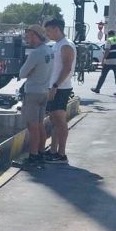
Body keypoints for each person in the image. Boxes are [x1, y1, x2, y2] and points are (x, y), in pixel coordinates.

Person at [17, 25, 53, 165]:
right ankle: (40, 152)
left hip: (32, 93)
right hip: (44, 91)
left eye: (29, 36)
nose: (27, 39)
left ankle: (33, 156)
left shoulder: (36, 53)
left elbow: (22, 73)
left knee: (32, 127)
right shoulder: (49, 51)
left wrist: (29, 72)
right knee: (40, 125)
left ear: (35, 36)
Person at [43, 19, 76, 165]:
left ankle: (61, 154)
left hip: (61, 88)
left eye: (48, 31)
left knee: (60, 121)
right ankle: (53, 151)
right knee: (54, 120)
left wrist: (55, 86)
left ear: (57, 29)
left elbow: (67, 68)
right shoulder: (57, 44)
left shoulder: (66, 45)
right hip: (53, 87)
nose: (47, 34)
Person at [91, 30, 116, 96]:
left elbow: (107, 50)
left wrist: (103, 60)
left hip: (109, 60)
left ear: (109, 35)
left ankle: (97, 89)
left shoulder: (109, 40)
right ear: (114, 34)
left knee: (103, 75)